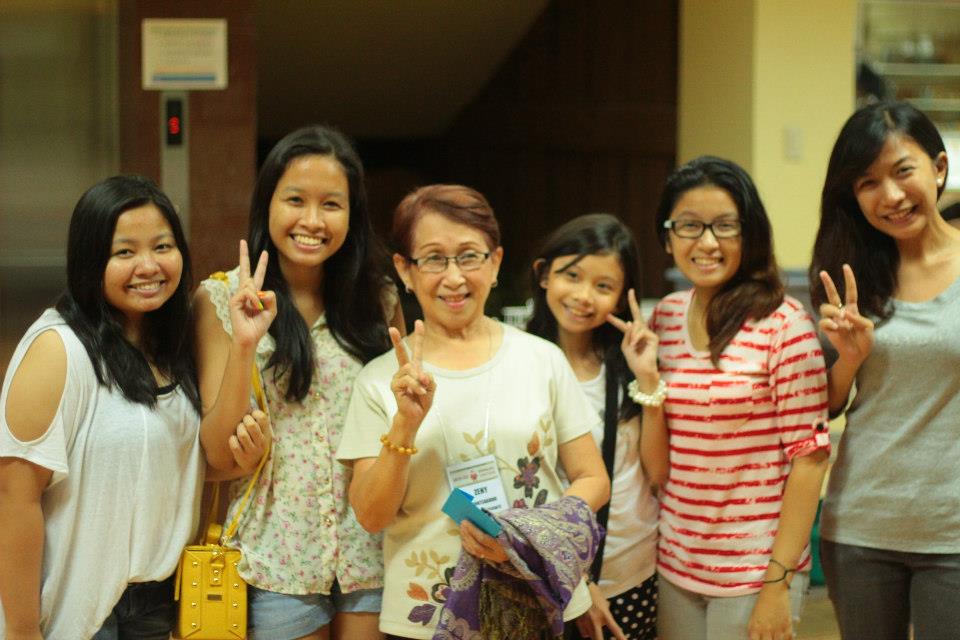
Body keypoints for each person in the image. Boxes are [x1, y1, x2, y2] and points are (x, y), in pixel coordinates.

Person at [0, 175, 270, 640]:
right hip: (78, 611)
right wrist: (23, 630)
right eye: (124, 252)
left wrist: (244, 344)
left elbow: (196, 461)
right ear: (90, 261)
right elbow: (15, 498)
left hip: (159, 606)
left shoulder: (171, 347)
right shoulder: (58, 349)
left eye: (162, 246)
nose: (148, 265)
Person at [336, 184, 610, 639]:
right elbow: (370, 516)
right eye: (434, 259)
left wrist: (527, 537)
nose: (455, 277)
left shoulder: (541, 359)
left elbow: (594, 479)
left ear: (496, 262)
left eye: (469, 256)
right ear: (405, 270)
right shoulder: (379, 380)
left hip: (539, 599)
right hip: (430, 617)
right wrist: (406, 420)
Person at [194, 125, 401, 640]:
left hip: (370, 547)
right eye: (295, 200)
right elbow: (217, 454)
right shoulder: (220, 299)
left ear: (352, 215)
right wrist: (246, 343)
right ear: (267, 204)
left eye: (331, 204)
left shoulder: (379, 301)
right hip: (275, 558)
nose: (312, 221)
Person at [649, 157, 830, 640]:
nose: (707, 242)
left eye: (725, 226)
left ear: (749, 234)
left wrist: (777, 582)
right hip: (676, 563)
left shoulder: (784, 323)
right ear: (668, 237)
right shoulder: (664, 319)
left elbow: (810, 460)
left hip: (754, 571)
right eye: (689, 226)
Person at [809, 101, 960, 640]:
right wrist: (848, 359)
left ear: (938, 168)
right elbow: (824, 407)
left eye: (903, 171)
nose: (891, 196)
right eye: (867, 183)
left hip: (953, 531)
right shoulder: (849, 273)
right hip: (861, 524)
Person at [527, 213, 669, 640]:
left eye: (603, 286)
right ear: (543, 274)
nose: (584, 296)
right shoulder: (518, 362)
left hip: (634, 570)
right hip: (553, 580)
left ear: (622, 298)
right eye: (573, 276)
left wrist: (647, 379)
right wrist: (580, 584)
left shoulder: (625, 368)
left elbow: (656, 473)